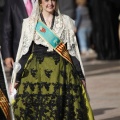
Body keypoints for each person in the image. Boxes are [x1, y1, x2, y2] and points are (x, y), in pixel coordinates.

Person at [11, 0, 94, 119]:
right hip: (37, 73)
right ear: (40, 3)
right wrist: (17, 77)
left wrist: (80, 75)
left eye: (53, 0)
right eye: (46, 0)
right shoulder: (31, 23)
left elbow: (72, 51)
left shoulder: (65, 22)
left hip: (62, 72)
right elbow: (25, 52)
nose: (50, 3)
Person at [1, 0, 35, 69]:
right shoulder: (11, 2)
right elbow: (6, 30)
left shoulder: (42, 2)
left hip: (40, 52)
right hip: (19, 53)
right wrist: (7, 55)